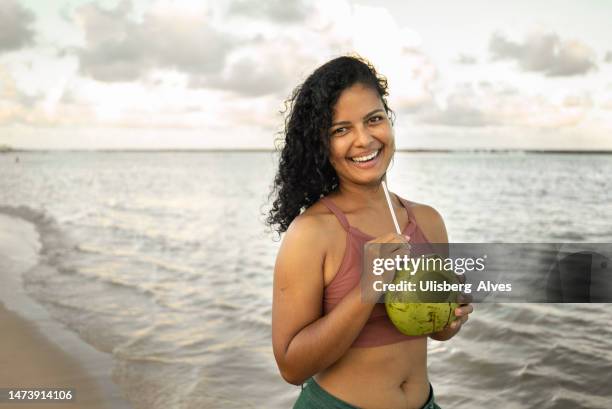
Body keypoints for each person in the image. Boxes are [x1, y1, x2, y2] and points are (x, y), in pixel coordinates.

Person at [267, 55, 473, 409]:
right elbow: (291, 366)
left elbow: (437, 331)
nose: (364, 140)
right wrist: (369, 287)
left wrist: (452, 315)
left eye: (373, 119)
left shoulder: (428, 221)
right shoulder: (312, 233)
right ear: (321, 144)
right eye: (341, 130)